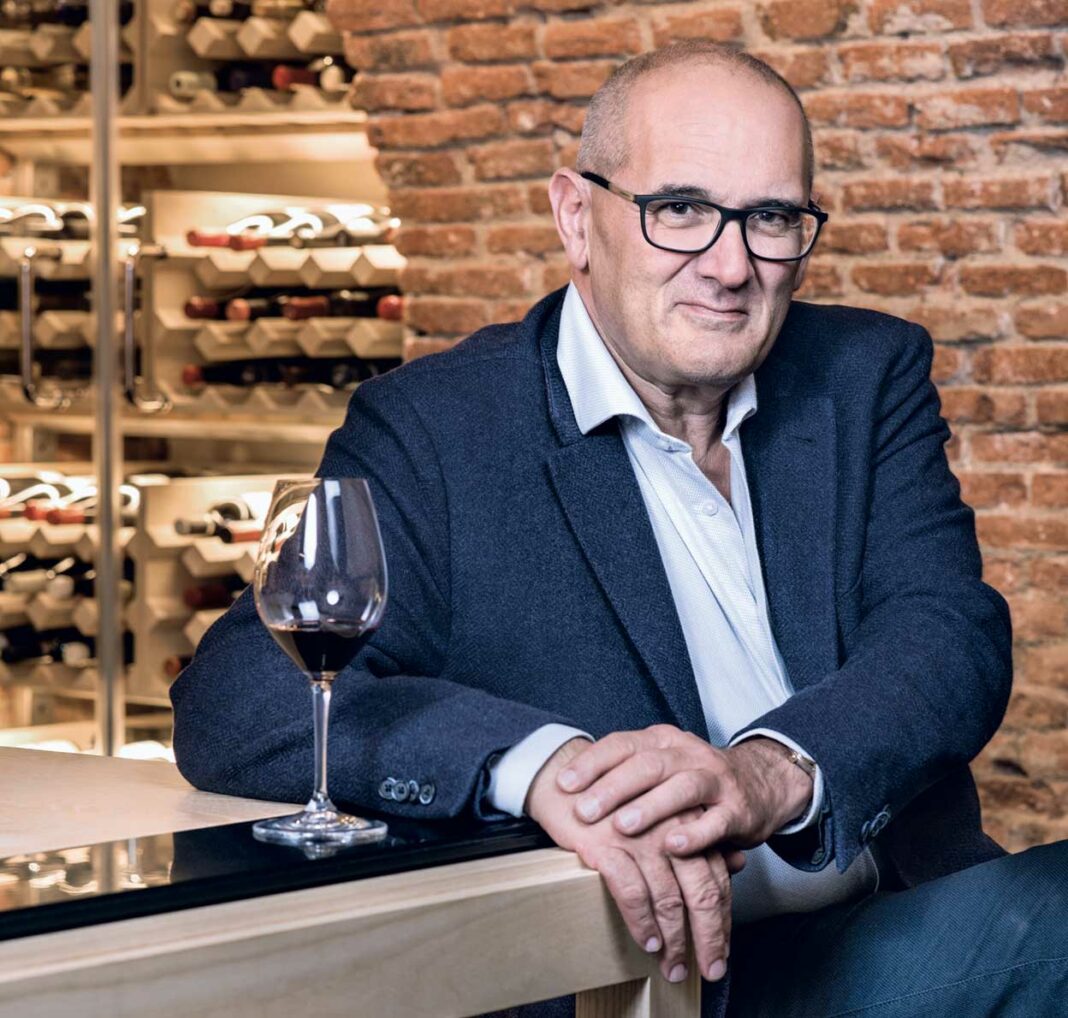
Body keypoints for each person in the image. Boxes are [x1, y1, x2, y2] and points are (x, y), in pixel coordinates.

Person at [171, 42, 1068, 1018]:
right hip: (646, 982)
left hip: (897, 917)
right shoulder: (440, 428)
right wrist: (541, 766)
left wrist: (767, 773)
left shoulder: (861, 371)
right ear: (576, 216)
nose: (731, 266)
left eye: (771, 218)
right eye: (679, 209)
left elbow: (946, 636)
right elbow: (240, 695)